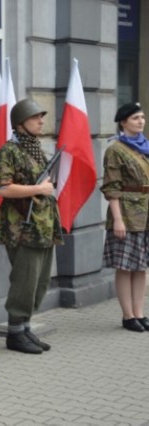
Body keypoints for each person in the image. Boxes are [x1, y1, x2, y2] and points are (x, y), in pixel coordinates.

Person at [0, 98, 63, 354]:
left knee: (39, 281)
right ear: (20, 123)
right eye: (35, 118)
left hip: (43, 225)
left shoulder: (35, 148)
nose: (41, 121)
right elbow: (2, 187)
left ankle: (25, 328)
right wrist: (39, 188)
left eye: (40, 117)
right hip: (21, 226)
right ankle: (14, 334)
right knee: (24, 280)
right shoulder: (9, 151)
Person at [101, 102, 149, 333]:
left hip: (146, 213)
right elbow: (112, 187)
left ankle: (140, 312)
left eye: (142, 117)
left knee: (141, 267)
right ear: (123, 122)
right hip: (127, 214)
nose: (141, 121)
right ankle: (128, 315)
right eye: (135, 118)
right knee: (125, 267)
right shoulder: (115, 149)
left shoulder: (145, 147)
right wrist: (118, 219)